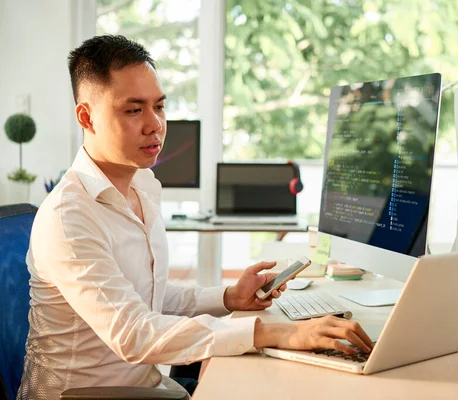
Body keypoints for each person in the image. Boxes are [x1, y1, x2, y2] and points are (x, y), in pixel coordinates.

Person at [17, 35, 373, 400]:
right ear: (87, 117)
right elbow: (134, 333)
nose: (154, 124)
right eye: (134, 110)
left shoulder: (141, 185)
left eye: (159, 106)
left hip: (149, 386)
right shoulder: (69, 217)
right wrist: (277, 333)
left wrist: (230, 297)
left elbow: (146, 294)